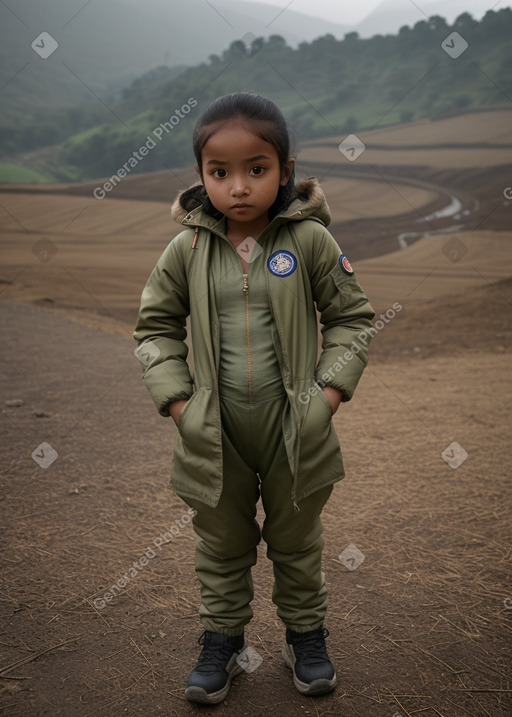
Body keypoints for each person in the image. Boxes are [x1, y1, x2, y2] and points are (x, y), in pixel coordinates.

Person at [133, 92, 375, 705]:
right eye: (220, 172)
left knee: (297, 541)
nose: (238, 186)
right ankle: (223, 642)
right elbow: (155, 330)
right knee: (220, 543)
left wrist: (328, 395)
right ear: (202, 177)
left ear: (285, 170)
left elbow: (352, 321)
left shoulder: (313, 242)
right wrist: (180, 406)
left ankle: (306, 636)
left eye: (256, 169)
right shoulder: (185, 251)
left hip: (298, 427)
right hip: (213, 433)